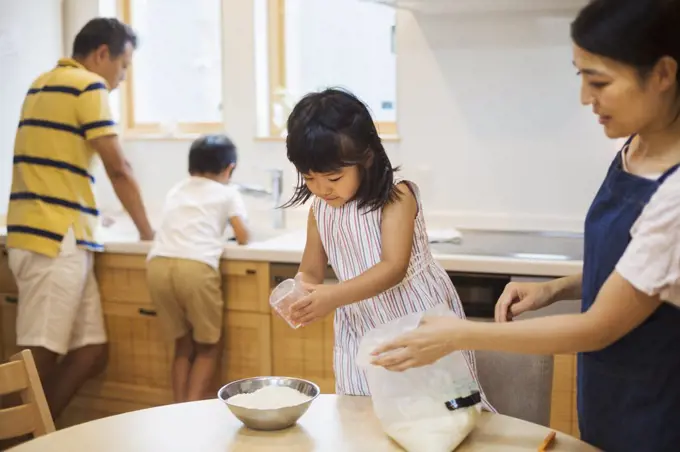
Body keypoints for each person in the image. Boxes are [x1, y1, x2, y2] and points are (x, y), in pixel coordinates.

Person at [371, 1, 680, 450]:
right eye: (581, 77)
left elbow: (598, 326)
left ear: (662, 75)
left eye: (600, 81)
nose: (584, 98)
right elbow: (641, 269)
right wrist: (554, 288)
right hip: (611, 390)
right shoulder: (637, 145)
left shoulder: (675, 192)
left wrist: (459, 334)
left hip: (658, 404)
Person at [282, 88, 492, 409]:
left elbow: (393, 267)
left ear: (365, 158)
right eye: (309, 178)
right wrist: (301, 293)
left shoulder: (397, 198)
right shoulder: (320, 210)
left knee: (438, 411)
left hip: (415, 318)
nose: (321, 188)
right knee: (364, 411)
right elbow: (311, 270)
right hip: (360, 326)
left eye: (334, 177)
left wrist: (332, 297)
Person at [5, 18, 153, 419]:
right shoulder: (88, 85)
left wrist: (90, 217)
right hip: (54, 240)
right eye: (123, 66)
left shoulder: (41, 83)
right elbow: (117, 167)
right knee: (39, 355)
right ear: (102, 54)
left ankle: (33, 435)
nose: (121, 79)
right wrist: (146, 231)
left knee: (91, 350)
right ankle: (12, 438)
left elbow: (54, 163)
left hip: (46, 232)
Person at [146, 134, 249, 403]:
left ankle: (177, 409)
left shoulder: (177, 189)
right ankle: (192, 413)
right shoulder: (228, 192)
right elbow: (243, 235)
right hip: (195, 267)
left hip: (157, 265)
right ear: (230, 168)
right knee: (208, 347)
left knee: (182, 346)